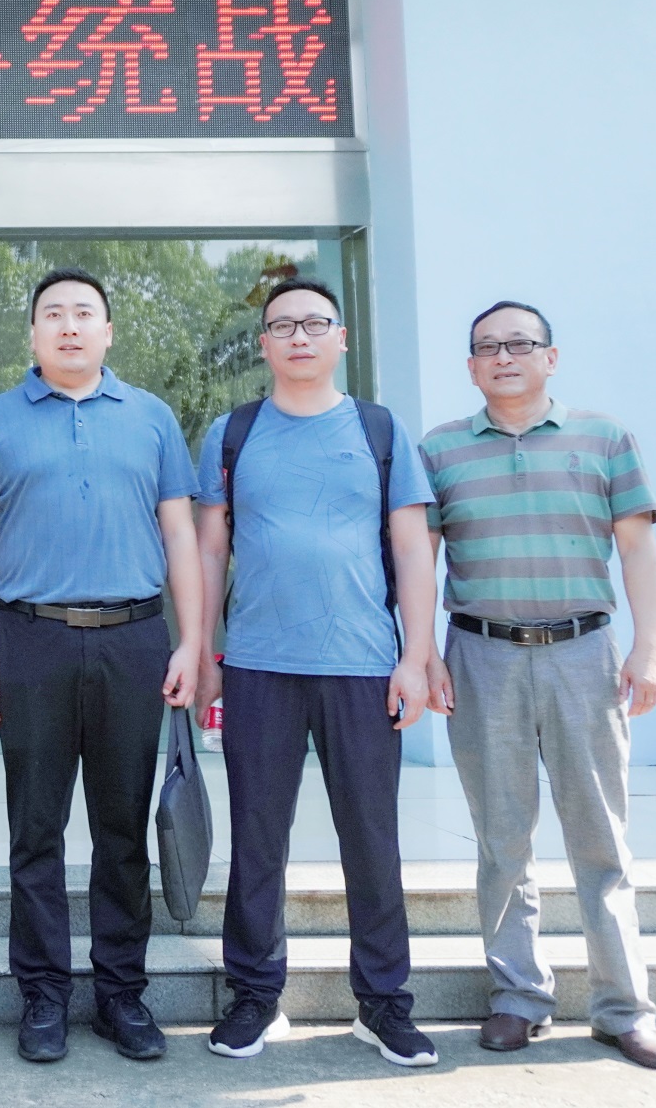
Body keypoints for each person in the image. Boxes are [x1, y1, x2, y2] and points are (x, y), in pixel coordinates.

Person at [0, 268, 205, 1064]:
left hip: (135, 638)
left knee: (122, 827)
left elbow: (180, 534)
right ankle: (42, 994)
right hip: (30, 638)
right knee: (36, 827)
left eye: (84, 313)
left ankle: (121, 994)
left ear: (108, 331)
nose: (69, 326)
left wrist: (192, 640)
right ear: (32, 333)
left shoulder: (152, 416)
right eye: (53, 314)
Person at [192, 277, 440, 1067]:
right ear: (264, 343)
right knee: (257, 838)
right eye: (282, 326)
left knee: (371, 838)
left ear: (340, 338)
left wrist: (415, 656)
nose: (299, 336)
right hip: (258, 664)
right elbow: (209, 550)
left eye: (314, 323)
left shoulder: (379, 429)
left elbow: (413, 548)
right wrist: (201, 651)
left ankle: (384, 1003)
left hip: (363, 664)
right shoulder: (232, 433)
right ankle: (255, 997)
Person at [422, 301, 656, 1071]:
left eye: (519, 343)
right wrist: (423, 651)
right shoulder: (440, 450)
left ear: (550, 357)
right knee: (502, 838)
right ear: (471, 366)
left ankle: (623, 1008)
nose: (504, 356)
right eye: (488, 347)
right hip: (482, 653)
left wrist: (649, 649)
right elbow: (419, 559)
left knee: (600, 836)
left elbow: (637, 551)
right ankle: (518, 996)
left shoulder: (605, 438)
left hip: (583, 653)